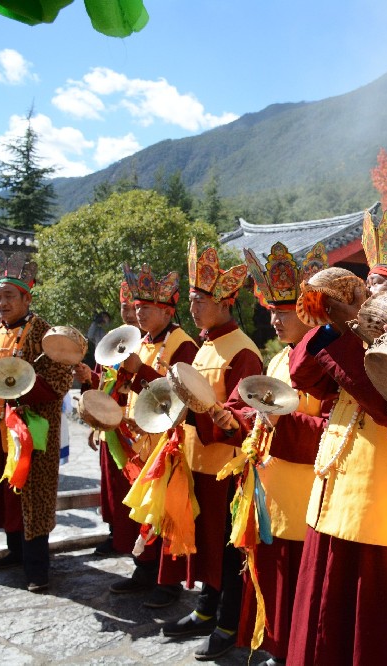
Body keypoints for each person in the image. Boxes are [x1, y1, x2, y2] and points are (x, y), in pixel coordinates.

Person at [284, 201, 387, 665]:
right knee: (318, 617)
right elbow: (303, 377)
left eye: (385, 289)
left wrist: (349, 334)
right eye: (370, 286)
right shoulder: (353, 335)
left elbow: (386, 404)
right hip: (334, 484)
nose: (371, 299)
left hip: (381, 500)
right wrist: (329, 325)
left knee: (360, 625)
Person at [156, 239, 263, 661]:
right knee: (205, 542)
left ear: (225, 302)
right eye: (194, 299)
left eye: (202, 300)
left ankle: (228, 621)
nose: (195, 307)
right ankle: (204, 610)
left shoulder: (244, 351)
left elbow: (241, 414)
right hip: (196, 460)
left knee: (227, 547)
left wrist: (209, 415)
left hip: (227, 468)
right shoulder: (204, 344)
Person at [235, 241, 333, 665]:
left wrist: (281, 422)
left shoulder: (328, 362)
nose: (273, 319)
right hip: (268, 492)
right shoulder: (277, 361)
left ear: (310, 309)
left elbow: (333, 434)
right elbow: (258, 417)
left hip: (303, 498)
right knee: (271, 588)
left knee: (297, 592)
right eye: (271, 310)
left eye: (284, 310)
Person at [0, 251, 73, 593]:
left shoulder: (43, 332)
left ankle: (37, 569)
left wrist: (22, 389)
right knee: (6, 496)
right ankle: (14, 552)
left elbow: (59, 378)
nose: (2, 303)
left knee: (31, 497)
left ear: (26, 297)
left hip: (28, 432)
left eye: (9, 296)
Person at [91, 269, 196, 605]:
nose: (139, 313)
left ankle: (169, 583)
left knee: (165, 511)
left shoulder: (183, 344)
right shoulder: (143, 342)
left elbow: (178, 396)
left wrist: (139, 372)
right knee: (144, 512)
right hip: (139, 441)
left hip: (168, 442)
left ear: (167, 311)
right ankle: (144, 570)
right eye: (137, 307)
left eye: (147, 308)